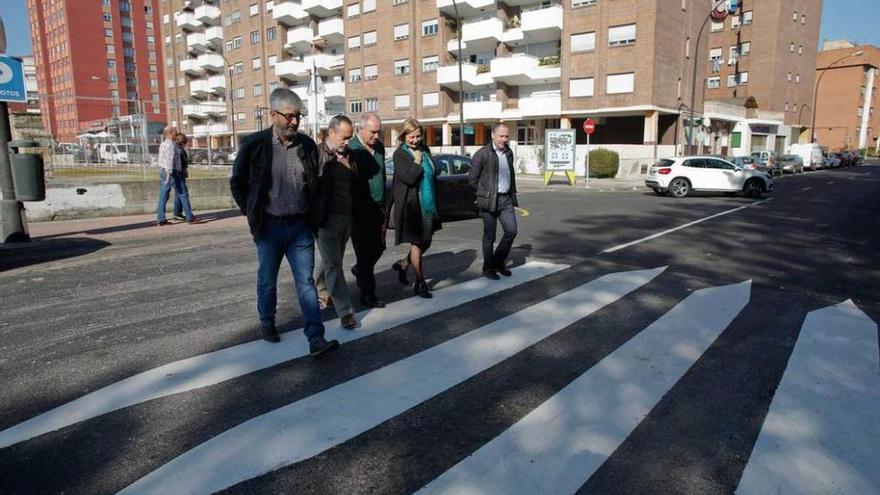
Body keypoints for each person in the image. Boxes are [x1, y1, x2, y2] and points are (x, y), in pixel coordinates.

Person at [229, 88, 339, 358]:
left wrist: (317, 216)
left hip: (301, 226)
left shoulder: (307, 145)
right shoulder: (255, 145)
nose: (294, 122)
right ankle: (267, 322)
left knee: (306, 284)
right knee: (267, 281)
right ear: (273, 114)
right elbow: (237, 182)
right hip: (269, 227)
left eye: (298, 117)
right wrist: (250, 212)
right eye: (289, 116)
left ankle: (316, 338)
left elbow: (315, 183)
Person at [314, 115, 359, 329]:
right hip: (325, 219)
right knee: (334, 264)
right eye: (344, 137)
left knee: (332, 260)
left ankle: (322, 290)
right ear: (331, 132)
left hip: (346, 217)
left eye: (350, 138)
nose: (347, 142)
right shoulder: (316, 154)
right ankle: (345, 312)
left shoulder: (350, 155)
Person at [390, 118, 441, 298]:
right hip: (413, 207)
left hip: (428, 205)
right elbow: (410, 178)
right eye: (411, 137)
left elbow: (433, 174)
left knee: (426, 241)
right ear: (404, 136)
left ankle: (404, 263)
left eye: (418, 136)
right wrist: (417, 161)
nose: (415, 140)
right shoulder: (400, 154)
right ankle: (420, 283)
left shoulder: (425, 150)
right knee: (418, 243)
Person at [469, 122, 518, 280]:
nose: (504, 139)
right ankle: (488, 268)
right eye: (501, 136)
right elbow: (472, 179)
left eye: (506, 136)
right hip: (488, 200)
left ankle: (498, 262)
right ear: (492, 135)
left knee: (511, 231)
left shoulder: (508, 153)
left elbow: (510, 174)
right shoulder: (482, 154)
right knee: (489, 236)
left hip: (505, 199)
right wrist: (483, 194)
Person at [348, 113, 387, 309]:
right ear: (360, 129)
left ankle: (359, 270)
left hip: (379, 207)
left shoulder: (379, 147)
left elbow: (382, 175)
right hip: (360, 210)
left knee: (379, 247)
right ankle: (368, 294)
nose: (376, 136)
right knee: (364, 253)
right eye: (372, 132)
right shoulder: (351, 149)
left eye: (378, 132)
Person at [156, 126, 196, 225]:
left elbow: (161, 160)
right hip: (171, 172)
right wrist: (169, 175)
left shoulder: (163, 144)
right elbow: (169, 161)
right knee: (183, 192)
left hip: (163, 170)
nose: (176, 134)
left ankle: (161, 219)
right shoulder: (170, 145)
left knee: (163, 195)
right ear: (170, 133)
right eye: (175, 132)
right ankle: (189, 217)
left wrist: (163, 172)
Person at [172, 132, 194, 222]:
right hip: (178, 175)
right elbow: (182, 164)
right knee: (184, 194)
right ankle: (189, 216)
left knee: (178, 194)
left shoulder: (175, 148)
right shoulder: (179, 150)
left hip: (175, 174)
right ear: (183, 142)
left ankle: (177, 213)